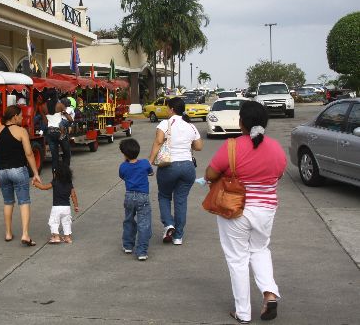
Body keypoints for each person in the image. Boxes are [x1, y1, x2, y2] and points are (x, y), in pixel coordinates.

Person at [205, 101, 286, 324]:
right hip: (266, 210)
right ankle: (269, 293)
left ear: (241, 122)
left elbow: (211, 174)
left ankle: (243, 312)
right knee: (260, 249)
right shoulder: (276, 148)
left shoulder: (231, 146)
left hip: (236, 209)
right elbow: (278, 175)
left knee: (237, 259)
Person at [149, 96, 203, 246]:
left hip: (169, 166)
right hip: (187, 167)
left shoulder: (165, 123)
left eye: (167, 108)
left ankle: (168, 224)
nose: (166, 110)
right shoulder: (190, 126)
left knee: (164, 195)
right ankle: (178, 236)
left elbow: (158, 141)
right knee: (181, 200)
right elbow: (198, 146)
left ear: (172, 109)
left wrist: (150, 161)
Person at [0, 105, 42, 246]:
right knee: (24, 201)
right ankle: (25, 234)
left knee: (8, 202)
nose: (22, 118)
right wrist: (35, 173)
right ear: (14, 117)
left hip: (2, 171)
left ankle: (8, 233)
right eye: (21, 115)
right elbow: (29, 153)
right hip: (18, 170)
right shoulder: (21, 131)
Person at [119, 138, 154, 261]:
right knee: (144, 224)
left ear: (124, 153)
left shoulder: (123, 166)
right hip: (143, 196)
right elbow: (151, 172)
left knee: (129, 220)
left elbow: (122, 176)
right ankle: (142, 251)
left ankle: (128, 245)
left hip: (129, 196)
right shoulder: (144, 163)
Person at [33, 164, 79, 244]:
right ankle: (67, 238)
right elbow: (73, 195)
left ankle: (56, 236)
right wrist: (76, 206)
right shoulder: (69, 183)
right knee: (66, 222)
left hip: (56, 207)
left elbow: (44, 187)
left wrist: (36, 184)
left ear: (57, 174)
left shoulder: (55, 182)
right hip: (66, 208)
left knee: (53, 222)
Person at [44, 92, 73, 172]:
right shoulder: (60, 105)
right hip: (60, 131)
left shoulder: (43, 107)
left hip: (50, 132)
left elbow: (46, 122)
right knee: (66, 152)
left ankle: (55, 175)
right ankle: (65, 172)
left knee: (54, 156)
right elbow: (70, 119)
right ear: (56, 96)